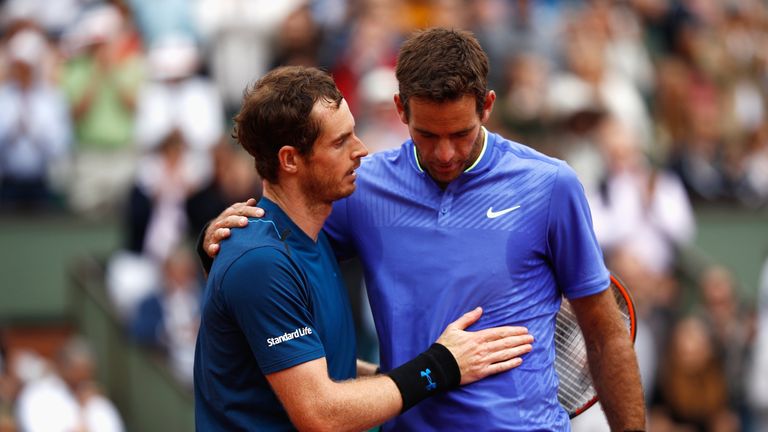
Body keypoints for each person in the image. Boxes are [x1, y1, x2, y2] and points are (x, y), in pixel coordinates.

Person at [202, 28, 645, 431]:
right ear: (401, 110)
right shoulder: (359, 189)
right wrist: (220, 243)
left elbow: (605, 334)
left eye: (461, 133)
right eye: (428, 134)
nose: (446, 153)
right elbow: (279, 251)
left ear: (488, 106)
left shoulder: (551, 185)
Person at [193, 65, 534, 431]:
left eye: (353, 133)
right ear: (290, 159)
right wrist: (441, 366)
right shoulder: (262, 262)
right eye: (340, 142)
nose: (361, 150)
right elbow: (320, 413)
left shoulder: (310, 239)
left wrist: (418, 376)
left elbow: (313, 364)